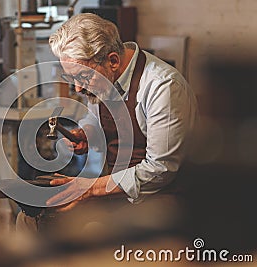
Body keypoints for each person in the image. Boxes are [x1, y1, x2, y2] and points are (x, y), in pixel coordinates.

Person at [16, 13, 198, 232]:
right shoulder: (103, 80)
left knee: (89, 232)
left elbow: (160, 170)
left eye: (83, 78)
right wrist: (87, 132)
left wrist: (90, 188)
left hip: (160, 199)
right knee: (30, 219)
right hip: (114, 193)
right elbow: (93, 118)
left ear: (112, 60)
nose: (79, 89)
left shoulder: (163, 87)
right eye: (72, 79)